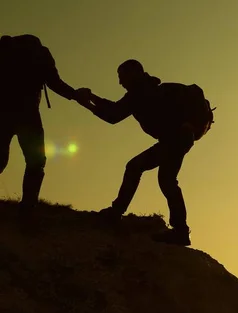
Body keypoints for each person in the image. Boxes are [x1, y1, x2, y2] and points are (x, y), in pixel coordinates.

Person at [76, 59, 214, 246]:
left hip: (177, 138)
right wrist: (90, 100)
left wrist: (89, 101)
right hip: (175, 139)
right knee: (156, 175)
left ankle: (174, 229)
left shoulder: (142, 93)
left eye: (121, 77)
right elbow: (114, 113)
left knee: (149, 173)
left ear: (133, 74)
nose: (120, 83)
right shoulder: (142, 92)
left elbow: (113, 114)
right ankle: (178, 229)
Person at [0, 34, 88, 223]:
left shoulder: (6, 51)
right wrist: (75, 95)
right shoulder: (40, 54)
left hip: (3, 111)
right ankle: (27, 210)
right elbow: (54, 83)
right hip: (27, 114)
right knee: (36, 161)